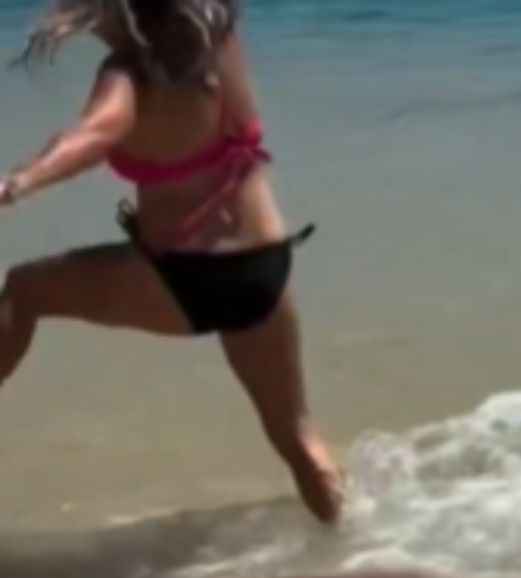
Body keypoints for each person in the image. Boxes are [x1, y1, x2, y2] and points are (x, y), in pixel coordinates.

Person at [0, 0, 344, 523]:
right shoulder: (221, 41)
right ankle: (350, 554)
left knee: (24, 291)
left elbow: (95, 133)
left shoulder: (128, 74)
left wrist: (17, 182)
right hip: (264, 267)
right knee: (296, 438)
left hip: (184, 279)